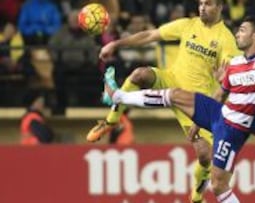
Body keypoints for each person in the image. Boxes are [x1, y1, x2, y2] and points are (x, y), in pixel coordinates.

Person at [102, 14, 255, 203]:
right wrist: (198, 121)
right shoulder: (235, 63)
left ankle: (200, 190)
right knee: (175, 95)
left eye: (242, 30)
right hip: (219, 113)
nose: (237, 34)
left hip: (233, 129)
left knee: (219, 186)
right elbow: (220, 95)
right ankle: (120, 96)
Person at [87, 0, 240, 202]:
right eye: (201, 3)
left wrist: (223, 79)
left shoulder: (226, 39)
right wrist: (116, 44)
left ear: (220, 6)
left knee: (205, 156)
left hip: (195, 102)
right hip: (171, 81)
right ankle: (111, 121)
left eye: (208, 3)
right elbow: (150, 35)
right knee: (140, 74)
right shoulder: (188, 25)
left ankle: (196, 194)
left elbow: (227, 82)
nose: (202, 7)